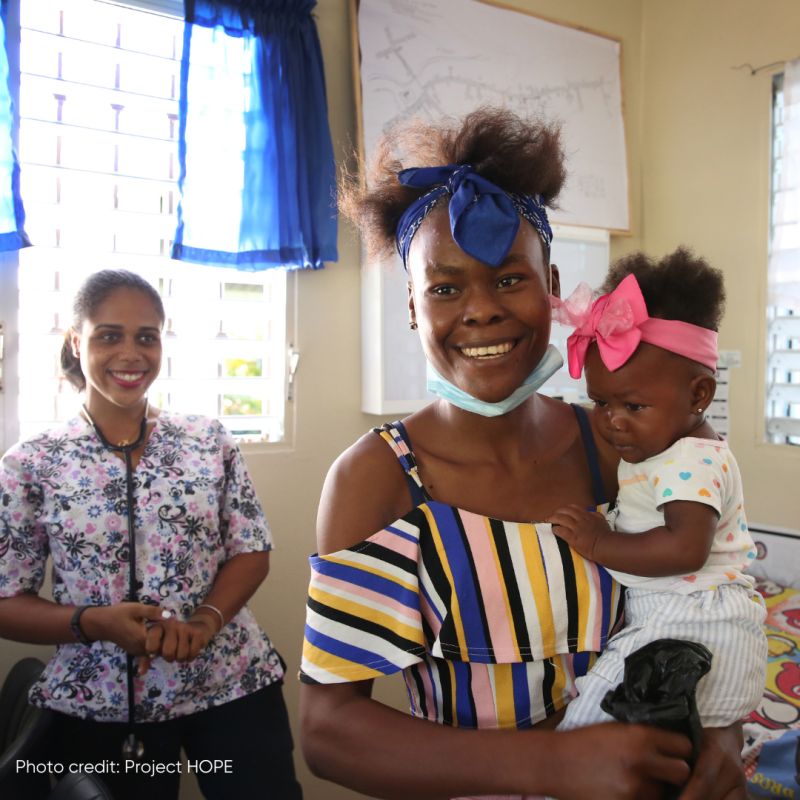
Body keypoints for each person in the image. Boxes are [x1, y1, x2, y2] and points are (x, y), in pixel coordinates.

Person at [299, 107, 748, 800]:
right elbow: (329, 732)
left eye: (509, 278)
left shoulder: (613, 446)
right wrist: (554, 765)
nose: (481, 309)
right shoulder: (378, 478)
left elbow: (708, 585)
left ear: (553, 286)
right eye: (445, 288)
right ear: (413, 309)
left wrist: (720, 727)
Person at [0, 269, 302, 800]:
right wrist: (93, 623)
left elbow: (251, 550)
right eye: (108, 335)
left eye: (147, 336)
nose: (131, 353)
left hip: (231, 686)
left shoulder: (208, 440)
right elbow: (5, 600)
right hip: (102, 704)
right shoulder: (33, 462)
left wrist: (205, 622)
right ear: (76, 340)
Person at [546, 249, 766, 733]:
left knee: (582, 737)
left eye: (634, 405)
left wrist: (599, 542)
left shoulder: (689, 458)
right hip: (691, 622)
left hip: (691, 623)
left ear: (699, 395)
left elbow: (686, 548)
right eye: (600, 401)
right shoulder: (668, 450)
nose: (611, 421)